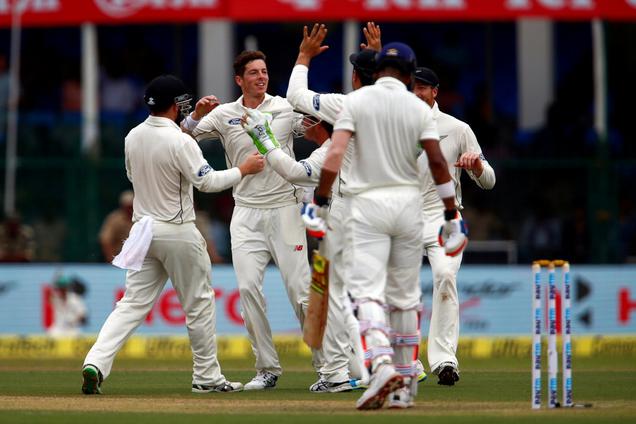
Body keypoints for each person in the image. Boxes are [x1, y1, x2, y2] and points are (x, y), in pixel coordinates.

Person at [81, 74, 264, 395]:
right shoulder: (182, 141)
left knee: (131, 304)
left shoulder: (132, 136)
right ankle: (206, 377)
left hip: (142, 231)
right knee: (199, 304)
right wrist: (243, 169)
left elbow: (134, 171)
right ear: (175, 105)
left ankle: (95, 361)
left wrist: (194, 120)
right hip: (177, 230)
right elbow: (207, 182)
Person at [309, 43, 468, 410]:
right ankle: (404, 385)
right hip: (410, 208)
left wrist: (319, 200)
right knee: (404, 297)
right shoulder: (418, 107)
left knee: (364, 293)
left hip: (368, 204)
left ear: (377, 70)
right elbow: (438, 164)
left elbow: (334, 154)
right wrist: (450, 214)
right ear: (411, 76)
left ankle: (381, 365)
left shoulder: (357, 103)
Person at [181, 51, 318, 390]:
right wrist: (196, 117)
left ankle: (328, 368)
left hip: (285, 209)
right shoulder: (225, 113)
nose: (261, 77)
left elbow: (317, 127)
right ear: (239, 80)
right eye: (253, 73)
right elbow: (182, 140)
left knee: (301, 292)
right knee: (246, 290)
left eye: (265, 71)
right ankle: (267, 369)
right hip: (246, 213)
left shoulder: (285, 107)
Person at [412, 67, 496, 385]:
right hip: (402, 215)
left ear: (435, 92)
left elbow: (489, 181)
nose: (418, 93)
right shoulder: (398, 125)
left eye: (423, 88)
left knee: (445, 277)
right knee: (397, 290)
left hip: (442, 216)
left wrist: (476, 166)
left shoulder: (457, 128)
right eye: (413, 88)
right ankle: (400, 360)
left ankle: (445, 361)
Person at [99, 190, 134, 261]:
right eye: (128, 207)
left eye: (132, 206)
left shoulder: (143, 219)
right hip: (119, 257)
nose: (130, 210)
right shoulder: (114, 219)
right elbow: (105, 240)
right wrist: (112, 260)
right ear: (122, 206)